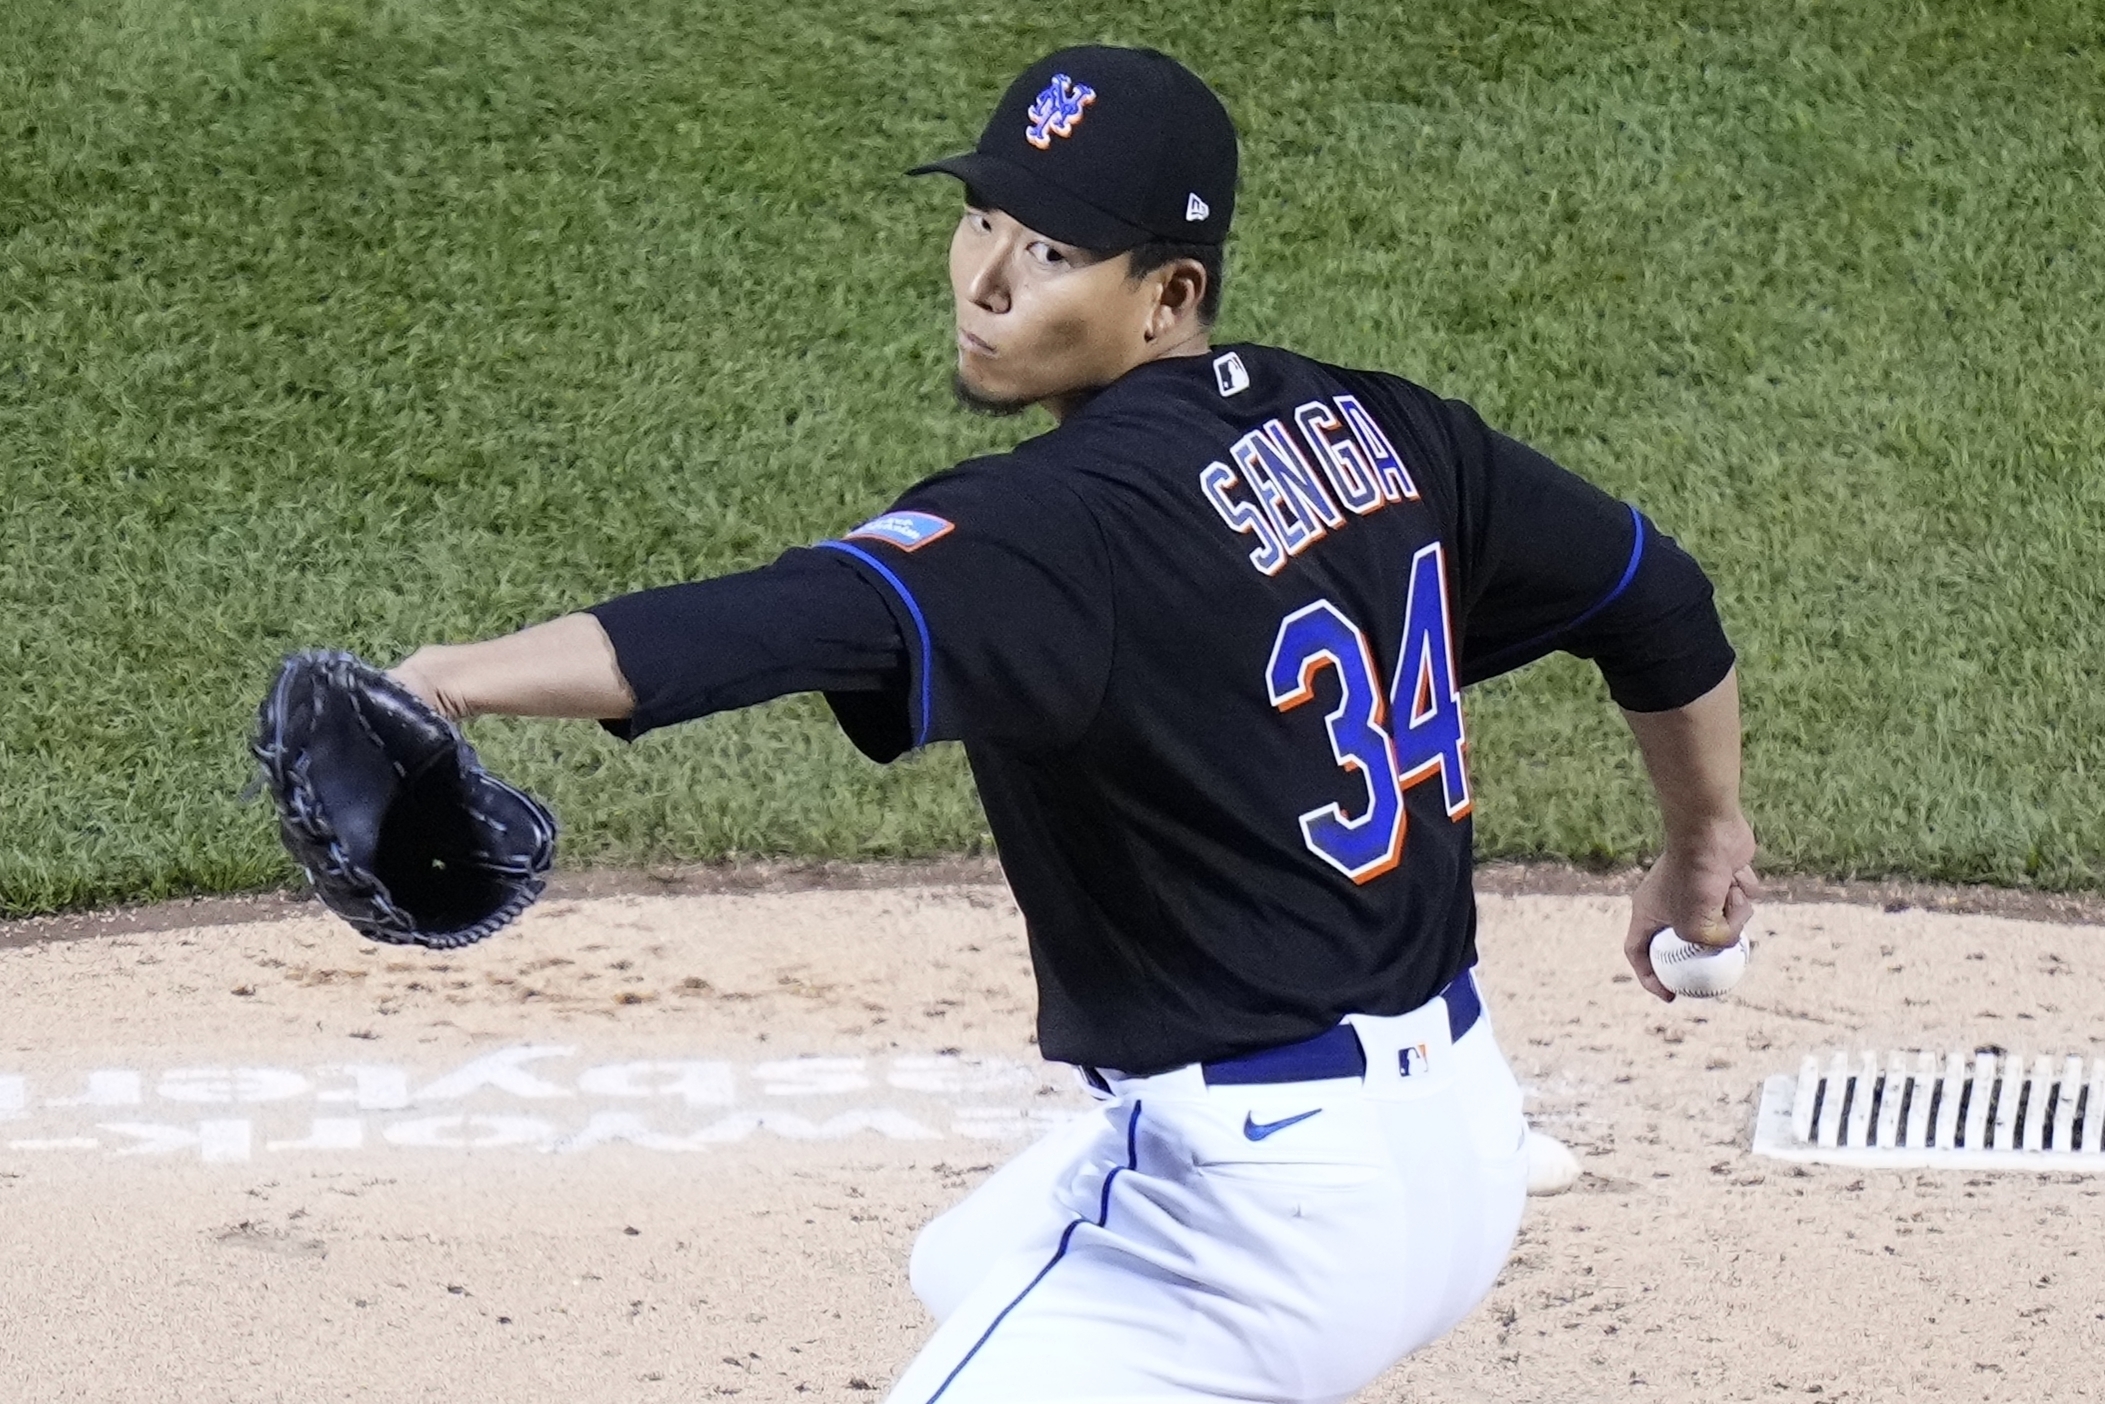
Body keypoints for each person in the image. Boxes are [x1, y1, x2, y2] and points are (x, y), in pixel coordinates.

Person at [387, 45, 1757, 1404]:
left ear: (1166, 295)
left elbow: (764, 623)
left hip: (1260, 1223)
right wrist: (1703, 845)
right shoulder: (1384, 429)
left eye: (1045, 250)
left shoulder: (1061, 525)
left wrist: (443, 679)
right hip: (1459, 1138)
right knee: (964, 1264)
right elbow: (1657, 597)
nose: (983, 280)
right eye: (980, 216)